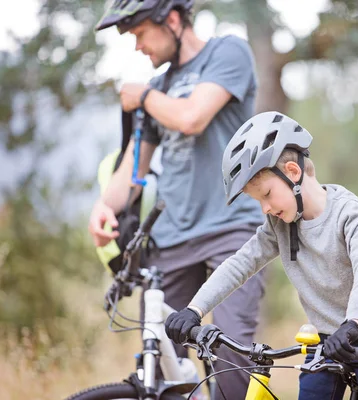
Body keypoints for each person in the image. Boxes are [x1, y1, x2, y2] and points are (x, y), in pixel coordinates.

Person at [88, 1, 266, 398]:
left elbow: (192, 117)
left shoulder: (227, 53)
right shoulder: (160, 88)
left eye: (139, 34)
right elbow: (133, 170)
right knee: (163, 362)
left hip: (231, 230)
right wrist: (104, 206)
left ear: (171, 20)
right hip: (170, 239)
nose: (138, 47)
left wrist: (144, 97)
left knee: (232, 358)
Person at [166, 111, 358, 399]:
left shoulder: (348, 213)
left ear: (293, 172)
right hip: (324, 342)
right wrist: (195, 310)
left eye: (267, 194)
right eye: (259, 201)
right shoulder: (280, 224)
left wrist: (353, 322)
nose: (265, 208)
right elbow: (240, 264)